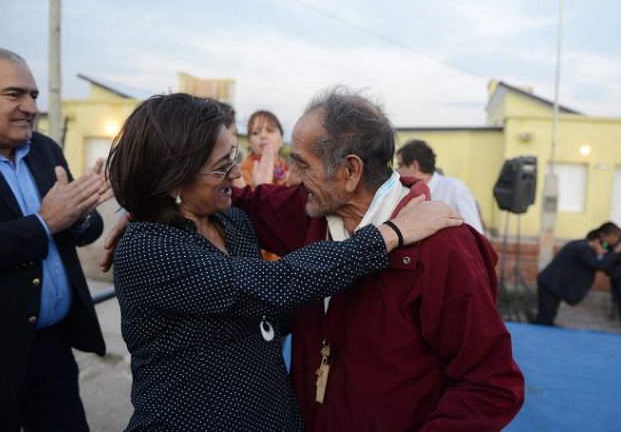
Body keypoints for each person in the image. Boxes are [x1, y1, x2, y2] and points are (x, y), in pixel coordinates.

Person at [104, 92, 461, 431]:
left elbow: (275, 315)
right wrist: (390, 234)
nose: (236, 174)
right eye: (220, 168)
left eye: (234, 157)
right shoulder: (148, 249)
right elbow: (275, 285)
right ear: (172, 180)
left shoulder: (233, 222)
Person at [231, 87, 524, 431]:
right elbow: (237, 202)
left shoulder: (444, 249)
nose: (293, 176)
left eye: (303, 164)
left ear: (350, 170)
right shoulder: (307, 211)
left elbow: (490, 384)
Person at [0, 47, 110, 430]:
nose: (30, 106)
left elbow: (82, 227)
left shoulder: (45, 149)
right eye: (14, 94)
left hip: (53, 348)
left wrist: (79, 217)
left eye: (34, 95)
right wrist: (44, 223)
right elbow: (48, 223)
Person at [534, 229, 621, 326]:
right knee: (545, 317)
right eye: (602, 244)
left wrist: (601, 253)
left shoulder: (582, 245)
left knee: (548, 315)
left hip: (553, 284)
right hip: (551, 283)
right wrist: (617, 251)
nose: (604, 248)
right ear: (596, 240)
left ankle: (543, 331)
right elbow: (599, 265)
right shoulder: (583, 249)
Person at [396, 138, 485, 234]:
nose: (397, 170)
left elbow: (475, 232)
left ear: (414, 166)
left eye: (400, 165)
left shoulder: (454, 188)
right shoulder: (404, 191)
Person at [238, 109, 291, 189]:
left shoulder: (290, 172)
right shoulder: (239, 176)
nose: (263, 136)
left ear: (282, 139)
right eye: (255, 132)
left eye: (270, 130)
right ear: (249, 142)